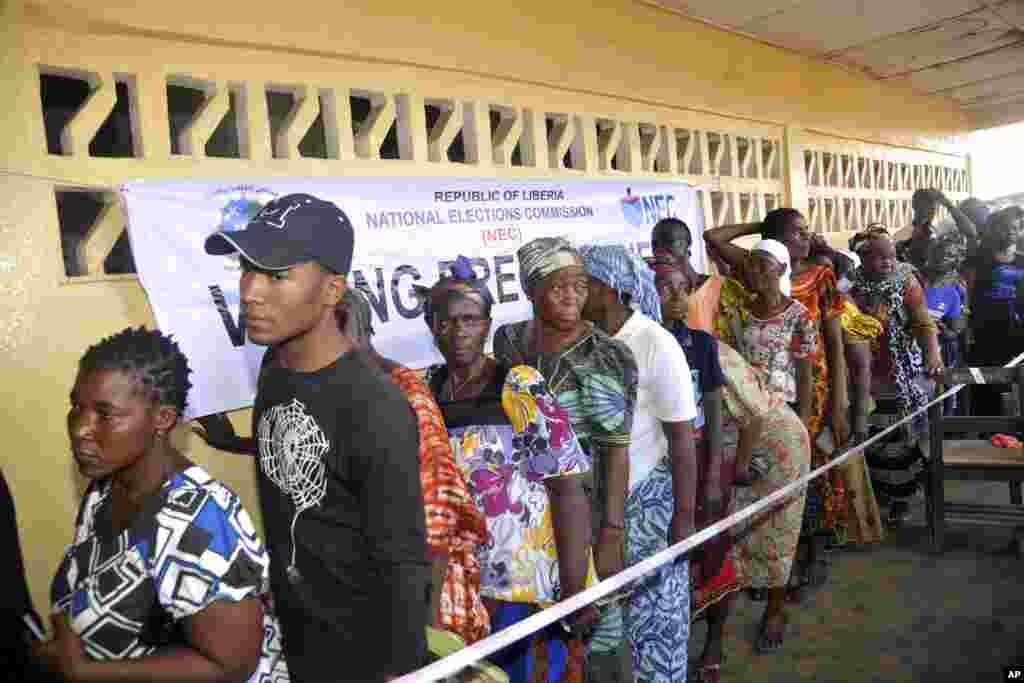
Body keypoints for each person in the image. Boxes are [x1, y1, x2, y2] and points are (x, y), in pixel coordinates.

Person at [203, 194, 430, 682]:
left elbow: (404, 561)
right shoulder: (274, 371)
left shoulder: (374, 405)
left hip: (363, 660)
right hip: (297, 644)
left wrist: (403, 672)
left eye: (276, 275)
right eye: (247, 269)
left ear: (331, 290)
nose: (250, 291)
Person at [195, 287, 490, 646]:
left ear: (347, 331)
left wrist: (426, 628)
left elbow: (436, 511)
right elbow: (322, 451)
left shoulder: (402, 394)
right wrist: (240, 443)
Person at [41, 327, 287, 682]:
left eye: (104, 414)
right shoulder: (106, 489)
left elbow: (231, 666)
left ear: (163, 419)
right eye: (77, 407)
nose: (80, 429)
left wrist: (86, 671)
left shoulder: (198, 518)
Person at [416, 257, 597, 683]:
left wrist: (576, 590)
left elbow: (567, 486)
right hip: (460, 585)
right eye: (445, 321)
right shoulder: (427, 391)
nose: (458, 331)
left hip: (524, 584)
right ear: (431, 327)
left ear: (486, 325)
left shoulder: (517, 385)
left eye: (469, 320)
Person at [493, 237, 638, 682]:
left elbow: (615, 450)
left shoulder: (607, 355)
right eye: (559, 286)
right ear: (531, 290)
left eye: (580, 285)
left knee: (597, 634)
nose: (572, 296)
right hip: (525, 519)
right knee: (539, 640)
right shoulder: (509, 341)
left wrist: (610, 533)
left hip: (586, 511)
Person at [578, 244, 698, 683]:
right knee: (607, 626)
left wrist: (683, 519)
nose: (576, 293)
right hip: (599, 503)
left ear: (610, 289)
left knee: (656, 622)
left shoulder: (653, 343)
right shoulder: (586, 342)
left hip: (649, 501)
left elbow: (682, 438)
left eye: (584, 284)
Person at [706, 216, 844, 589]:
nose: (755, 273)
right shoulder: (742, 311)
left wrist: (804, 424)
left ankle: (796, 567)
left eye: (763, 266)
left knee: (793, 495)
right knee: (754, 492)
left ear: (780, 269)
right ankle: (756, 575)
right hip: (749, 410)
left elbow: (805, 373)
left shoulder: (799, 315)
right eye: (752, 265)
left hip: (786, 410)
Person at [647, 253, 737, 683]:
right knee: (666, 562)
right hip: (655, 467)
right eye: (665, 288)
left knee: (712, 552)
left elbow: (714, 412)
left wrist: (714, 472)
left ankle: (714, 640)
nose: (678, 297)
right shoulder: (637, 345)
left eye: (683, 288)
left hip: (700, 461)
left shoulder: (700, 344)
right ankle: (671, 646)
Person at [718, 341, 811, 654]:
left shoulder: (706, 349)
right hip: (739, 446)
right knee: (733, 537)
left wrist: (740, 467)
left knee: (778, 533)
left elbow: (755, 414)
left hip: (779, 446)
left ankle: (775, 610)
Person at [847, 227, 943, 527]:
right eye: (880, 257)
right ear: (863, 258)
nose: (888, 262)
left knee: (899, 439)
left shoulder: (906, 279)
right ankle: (878, 496)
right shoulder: (849, 283)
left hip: (897, 371)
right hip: (859, 371)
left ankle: (902, 497)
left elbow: (924, 323)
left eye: (891, 255)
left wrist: (932, 354)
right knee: (870, 437)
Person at [965, 217, 1024, 419]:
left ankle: (1012, 427)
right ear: (994, 230)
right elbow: (967, 293)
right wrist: (968, 327)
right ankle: (984, 426)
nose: (1011, 232)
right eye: (1005, 227)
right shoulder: (979, 259)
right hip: (984, 332)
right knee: (983, 383)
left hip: (1016, 333)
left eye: (1015, 228)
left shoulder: (1022, 260)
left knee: (1014, 382)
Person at [922, 233, 968, 416]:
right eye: (939, 252)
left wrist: (943, 330)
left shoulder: (955, 290)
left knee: (942, 395)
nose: (942, 258)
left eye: (949, 255)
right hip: (909, 347)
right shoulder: (914, 279)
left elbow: (956, 329)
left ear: (956, 260)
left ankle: (947, 420)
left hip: (940, 350)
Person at [894, 188, 978, 272]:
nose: (930, 212)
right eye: (925, 208)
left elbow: (971, 232)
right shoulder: (903, 235)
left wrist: (948, 204)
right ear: (914, 206)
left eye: (933, 208)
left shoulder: (938, 229)